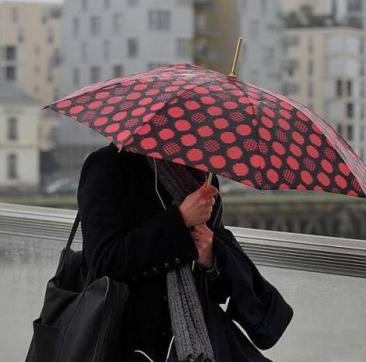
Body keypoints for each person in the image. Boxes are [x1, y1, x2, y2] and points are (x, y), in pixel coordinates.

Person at [77, 142, 292, 361]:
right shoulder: (108, 165)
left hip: (198, 334)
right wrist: (179, 220)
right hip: (128, 338)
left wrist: (210, 258)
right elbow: (105, 260)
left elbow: (217, 290)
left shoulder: (202, 179)